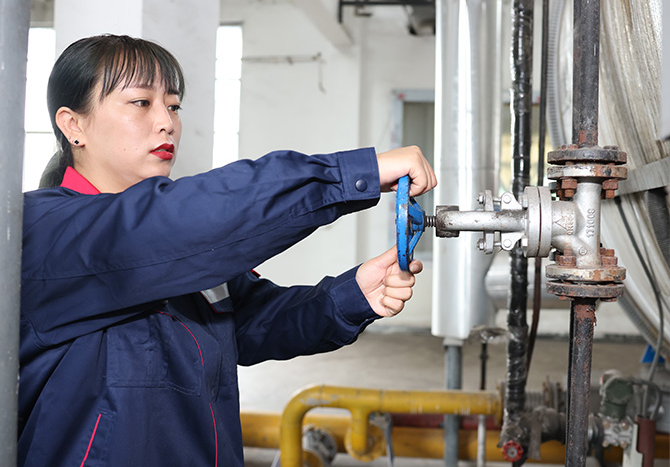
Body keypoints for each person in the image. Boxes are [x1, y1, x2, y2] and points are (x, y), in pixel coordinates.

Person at [20, 34, 437, 467]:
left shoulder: (182, 246)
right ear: (73, 125)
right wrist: (350, 174)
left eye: (174, 106)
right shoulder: (45, 232)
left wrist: (352, 296)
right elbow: (174, 221)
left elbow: (251, 325)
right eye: (141, 102)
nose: (166, 122)